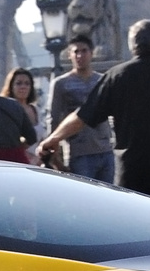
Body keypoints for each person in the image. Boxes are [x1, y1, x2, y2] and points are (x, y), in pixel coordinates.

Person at [38, 20, 150, 200]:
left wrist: (54, 138)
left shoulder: (117, 76)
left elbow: (82, 116)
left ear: (133, 48)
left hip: (133, 171)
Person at [46, 34, 115, 182]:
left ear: (91, 53)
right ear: (70, 55)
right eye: (75, 51)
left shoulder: (103, 80)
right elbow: (53, 119)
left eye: (84, 51)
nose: (80, 55)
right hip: (79, 152)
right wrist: (55, 156)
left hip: (105, 150)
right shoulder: (61, 84)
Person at [3, 67, 41, 163]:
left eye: (27, 83)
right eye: (19, 83)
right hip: (18, 162)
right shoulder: (6, 110)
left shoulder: (35, 109)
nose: (23, 87)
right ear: (11, 86)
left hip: (40, 162)